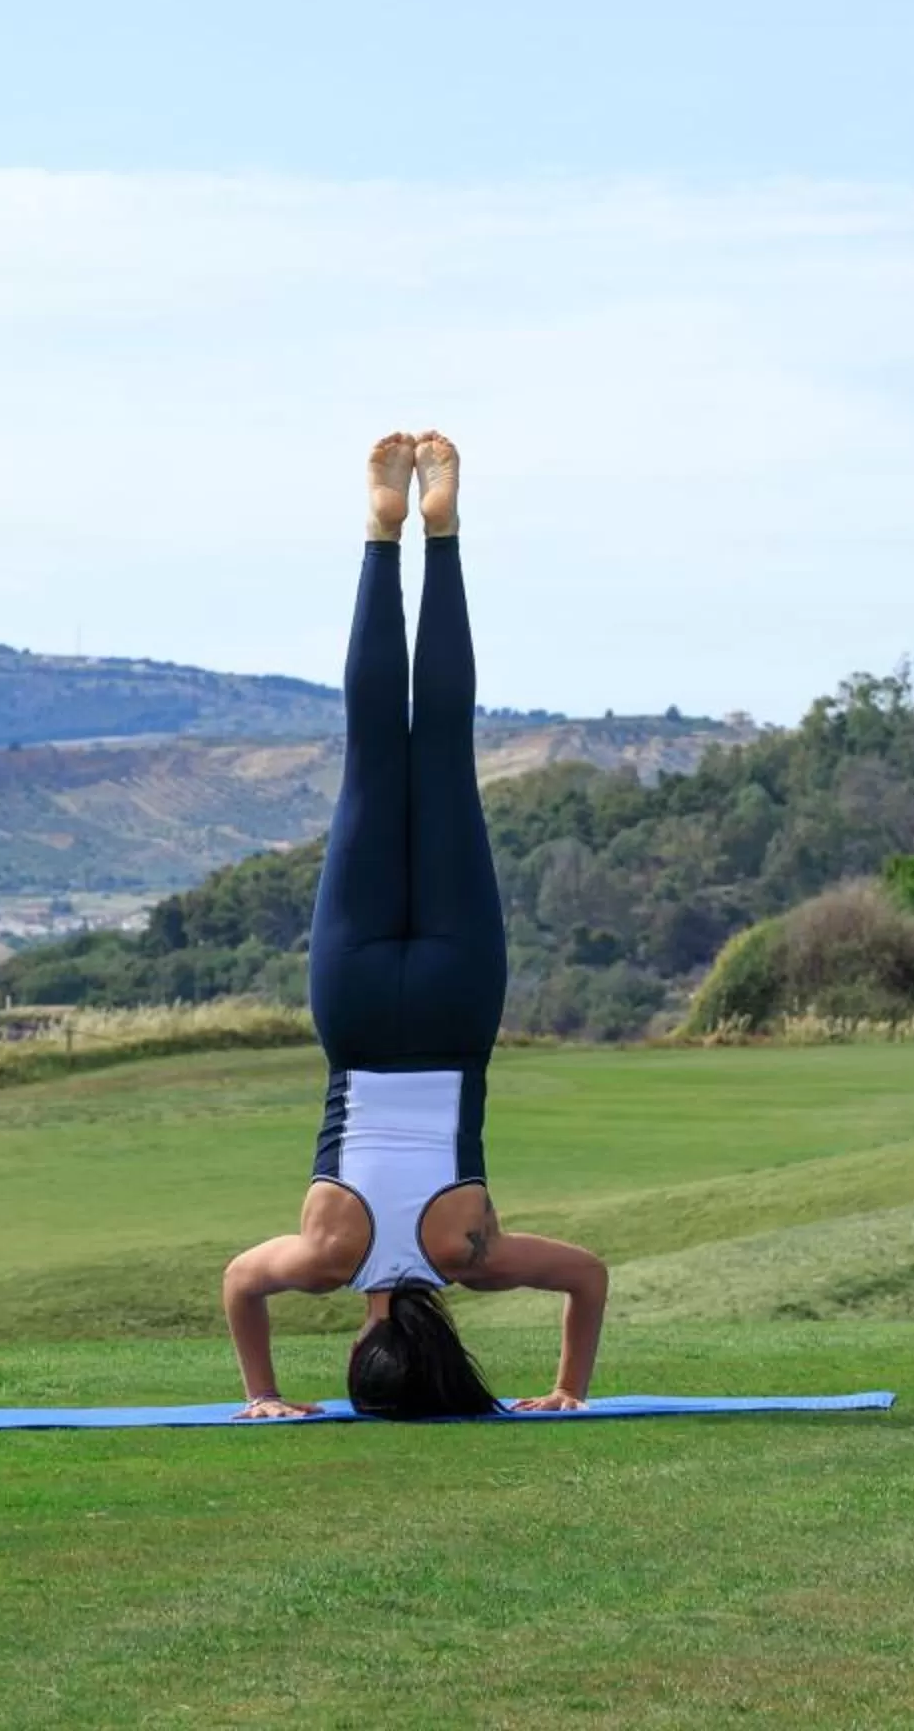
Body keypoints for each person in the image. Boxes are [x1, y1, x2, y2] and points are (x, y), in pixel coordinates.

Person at [223, 431, 610, 1420]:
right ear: (363, 1338)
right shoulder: (325, 1252)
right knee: (371, 756)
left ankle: (438, 533)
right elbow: (238, 1281)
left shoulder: (469, 1254)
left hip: (451, 1008)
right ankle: (380, 530)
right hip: (354, 1009)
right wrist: (262, 1391)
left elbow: (588, 1277)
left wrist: (569, 1385)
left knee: (438, 749)